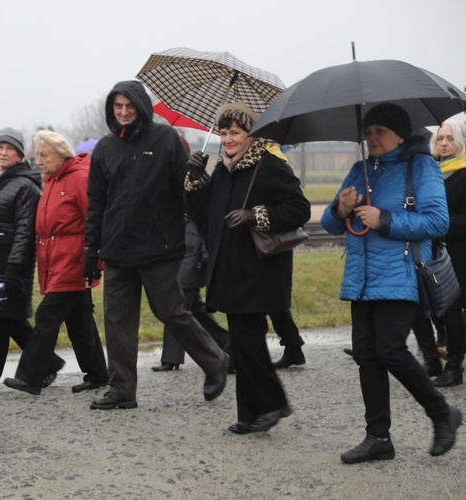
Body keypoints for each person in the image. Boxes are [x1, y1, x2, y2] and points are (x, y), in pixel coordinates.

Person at [321, 103, 460, 463]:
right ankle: (378, 437)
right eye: (368, 132)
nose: (372, 138)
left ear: (400, 134)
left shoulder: (422, 166)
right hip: (361, 279)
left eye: (380, 131)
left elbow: (436, 222)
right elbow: (330, 223)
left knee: (391, 351)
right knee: (367, 357)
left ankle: (441, 412)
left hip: (402, 277)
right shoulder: (359, 170)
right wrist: (341, 208)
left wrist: (385, 218)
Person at [84, 80, 228, 411]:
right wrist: (91, 251)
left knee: (171, 312)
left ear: (141, 106)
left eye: (129, 105)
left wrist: (195, 176)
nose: (123, 112)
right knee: (117, 321)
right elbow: (96, 204)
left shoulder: (165, 140)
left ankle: (215, 361)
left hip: (159, 246)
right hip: (117, 248)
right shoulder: (105, 148)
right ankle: (122, 388)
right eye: (117, 106)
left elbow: (187, 193)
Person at [186, 101, 310, 433]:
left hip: (260, 269)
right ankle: (251, 414)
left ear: (251, 135)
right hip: (229, 268)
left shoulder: (269, 165)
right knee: (242, 343)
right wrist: (196, 179)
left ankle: (273, 404)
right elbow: (203, 219)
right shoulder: (223, 170)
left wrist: (255, 215)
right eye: (224, 132)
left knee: (248, 341)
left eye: (235, 132)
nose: (227, 139)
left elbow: (299, 209)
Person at [3, 131, 109, 395]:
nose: (38, 161)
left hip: (73, 260)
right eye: (37, 154)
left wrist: (95, 258)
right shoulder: (51, 179)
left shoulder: (80, 178)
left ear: (61, 155)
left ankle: (30, 377)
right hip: (57, 257)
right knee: (79, 321)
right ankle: (97, 373)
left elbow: (97, 220)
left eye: (43, 155)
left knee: (47, 316)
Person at [0, 127, 65, 394]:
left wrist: (13, 267)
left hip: (8, 263)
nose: (3, 153)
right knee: (8, 320)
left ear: (20, 154)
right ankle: (49, 362)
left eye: (9, 148)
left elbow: (24, 230)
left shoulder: (24, 185)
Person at [151, 215, 230, 371]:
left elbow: (206, 229)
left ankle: (171, 358)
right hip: (183, 260)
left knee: (175, 307)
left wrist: (206, 257)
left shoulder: (197, 201)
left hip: (192, 263)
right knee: (196, 311)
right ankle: (228, 342)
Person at [427, 121, 466, 387]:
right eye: (440, 138)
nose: (443, 143)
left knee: (453, 309)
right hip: (437, 252)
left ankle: (454, 369)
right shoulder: (432, 172)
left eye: (450, 138)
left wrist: (437, 223)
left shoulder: (463, 173)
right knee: (443, 309)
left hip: (460, 252)